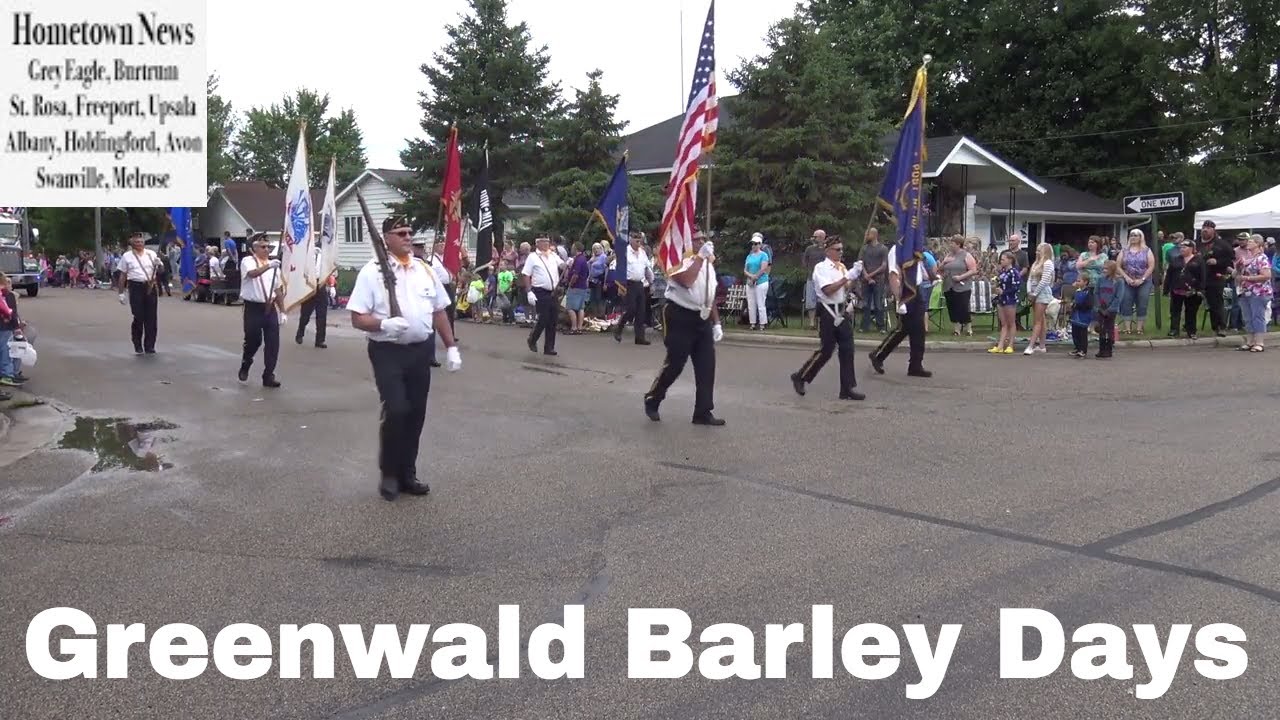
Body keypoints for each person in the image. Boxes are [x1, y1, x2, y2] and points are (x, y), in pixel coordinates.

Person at [347, 216, 460, 501]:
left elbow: (439, 311)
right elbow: (357, 318)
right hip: (387, 351)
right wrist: (382, 324)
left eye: (410, 232)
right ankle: (389, 472)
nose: (408, 237)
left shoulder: (424, 270)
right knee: (397, 409)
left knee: (416, 414)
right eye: (401, 233)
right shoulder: (372, 272)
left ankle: (408, 473)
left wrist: (451, 346)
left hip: (420, 351)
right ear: (386, 238)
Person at [644, 232, 724, 426]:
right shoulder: (675, 260)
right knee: (675, 364)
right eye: (697, 239)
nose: (702, 242)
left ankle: (703, 412)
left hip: (701, 318)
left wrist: (716, 322)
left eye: (703, 239)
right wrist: (700, 257)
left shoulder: (707, 264)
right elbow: (687, 281)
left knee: (707, 365)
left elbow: (709, 295)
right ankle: (653, 398)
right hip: (680, 316)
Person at [790, 236, 862, 400]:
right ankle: (801, 376)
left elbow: (846, 287)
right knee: (826, 350)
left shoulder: (841, 267)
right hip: (827, 311)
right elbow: (828, 290)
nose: (841, 252)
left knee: (847, 349)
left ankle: (847, 388)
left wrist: (854, 275)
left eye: (842, 249)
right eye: (838, 249)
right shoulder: (821, 268)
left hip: (842, 310)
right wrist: (847, 277)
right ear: (828, 251)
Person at [869, 242, 931, 378]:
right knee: (904, 328)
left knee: (918, 329)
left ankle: (915, 365)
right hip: (905, 291)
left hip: (917, 289)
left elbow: (919, 269)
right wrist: (899, 300)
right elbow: (893, 275)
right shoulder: (897, 250)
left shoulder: (914, 249)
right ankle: (878, 355)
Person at [237, 234, 285, 388]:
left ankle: (268, 375)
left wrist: (283, 311)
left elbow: (277, 290)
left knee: (273, 343)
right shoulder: (248, 261)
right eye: (263, 247)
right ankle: (246, 362)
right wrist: (269, 266)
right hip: (253, 308)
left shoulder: (274, 266)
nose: (267, 250)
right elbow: (252, 274)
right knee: (253, 341)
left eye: (268, 247)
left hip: (270, 308)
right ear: (254, 248)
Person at [114, 232, 162, 355]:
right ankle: (137, 344)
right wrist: (121, 293)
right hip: (135, 287)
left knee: (151, 318)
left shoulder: (151, 254)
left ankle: (150, 346)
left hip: (150, 286)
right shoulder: (127, 256)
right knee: (138, 316)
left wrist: (159, 264)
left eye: (141, 242)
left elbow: (161, 271)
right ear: (132, 243)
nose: (139, 244)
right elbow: (123, 275)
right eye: (136, 242)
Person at [522, 236, 565, 356]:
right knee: (544, 317)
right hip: (540, 291)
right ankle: (533, 338)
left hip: (554, 291)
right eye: (544, 242)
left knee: (553, 319)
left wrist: (569, 263)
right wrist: (529, 291)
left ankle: (549, 347)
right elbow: (526, 274)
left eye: (547, 242)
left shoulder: (553, 255)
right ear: (538, 244)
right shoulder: (533, 257)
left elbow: (562, 265)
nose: (547, 244)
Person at [1235, 234, 1272, 353]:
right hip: (1245, 291)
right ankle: (1250, 341)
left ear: (1258, 244)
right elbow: (1236, 274)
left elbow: (1267, 275)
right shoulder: (1248, 258)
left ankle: (1259, 342)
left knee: (1257, 316)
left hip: (1259, 292)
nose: (1248, 243)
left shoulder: (1262, 258)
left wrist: (1247, 278)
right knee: (1247, 317)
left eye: (1251, 241)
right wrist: (1238, 267)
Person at [614, 231, 654, 344]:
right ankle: (619, 326)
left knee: (641, 311)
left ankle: (640, 337)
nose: (638, 243)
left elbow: (647, 269)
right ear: (630, 240)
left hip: (640, 284)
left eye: (640, 241)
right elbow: (619, 269)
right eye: (636, 241)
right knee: (631, 309)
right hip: (628, 284)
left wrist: (651, 283)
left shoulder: (642, 253)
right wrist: (620, 286)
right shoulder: (625, 252)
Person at [1198, 220, 1234, 337]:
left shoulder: (1222, 244)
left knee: (1216, 303)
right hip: (1198, 277)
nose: (1205, 230)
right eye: (1204, 227)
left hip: (1215, 277)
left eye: (1208, 228)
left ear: (1214, 230)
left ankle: (1220, 327)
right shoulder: (1196, 243)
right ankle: (1189, 327)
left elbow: (1230, 260)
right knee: (1192, 302)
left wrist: (1217, 261)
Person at [1163, 239, 1204, 339]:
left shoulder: (1198, 260)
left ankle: (1191, 331)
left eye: (1184, 247)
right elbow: (1169, 275)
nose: (1182, 249)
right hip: (1177, 289)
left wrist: (1201, 289)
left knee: (1191, 311)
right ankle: (1174, 330)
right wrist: (1166, 289)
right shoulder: (1175, 259)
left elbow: (1203, 276)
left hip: (1192, 290)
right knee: (1175, 310)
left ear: (1191, 248)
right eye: (1181, 247)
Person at [1023, 243, 1056, 355]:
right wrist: (1029, 292)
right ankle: (1042, 346)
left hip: (1042, 293)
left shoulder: (1048, 263)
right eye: (1036, 250)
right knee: (1041, 319)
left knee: (1037, 321)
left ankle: (1030, 346)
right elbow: (1030, 279)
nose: (1037, 252)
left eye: (1039, 251)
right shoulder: (1035, 263)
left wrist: (1035, 293)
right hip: (1033, 292)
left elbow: (1045, 281)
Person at [295, 243, 329, 348]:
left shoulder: (325, 257)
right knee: (305, 314)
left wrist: (332, 286)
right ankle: (300, 333)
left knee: (322, 315)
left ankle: (320, 340)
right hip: (309, 286)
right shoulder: (307, 256)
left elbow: (329, 271)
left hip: (321, 285)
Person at [989, 251, 1021, 354]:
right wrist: (996, 286)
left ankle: (1010, 345)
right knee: (1003, 323)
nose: (1001, 261)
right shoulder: (1003, 272)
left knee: (1011, 322)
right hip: (1001, 299)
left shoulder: (1014, 272)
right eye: (1001, 260)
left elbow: (1016, 287)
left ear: (1010, 260)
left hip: (1010, 300)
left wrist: (1004, 291)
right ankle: (1000, 345)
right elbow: (1000, 282)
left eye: (1003, 259)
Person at [858, 228, 888, 333]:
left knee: (878, 304)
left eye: (868, 234)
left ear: (874, 235)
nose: (866, 236)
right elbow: (861, 263)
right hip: (865, 280)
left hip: (879, 280)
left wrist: (871, 275)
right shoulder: (864, 249)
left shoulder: (883, 249)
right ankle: (864, 326)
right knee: (865, 303)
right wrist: (866, 276)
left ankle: (881, 326)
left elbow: (883, 266)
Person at [743, 233, 772, 330]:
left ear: (760, 244)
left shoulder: (764, 255)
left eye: (756, 244)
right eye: (752, 244)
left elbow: (763, 268)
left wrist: (755, 277)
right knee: (751, 304)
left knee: (760, 303)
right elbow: (745, 270)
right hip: (750, 281)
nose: (754, 246)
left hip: (761, 281)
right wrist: (751, 277)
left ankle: (762, 324)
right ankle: (752, 323)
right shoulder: (749, 256)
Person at [1095, 261, 1123, 359]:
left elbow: (1118, 297)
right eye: (1103, 268)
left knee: (1109, 328)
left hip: (1112, 309)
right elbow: (1096, 293)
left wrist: (1110, 309)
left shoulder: (1119, 281)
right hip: (1101, 308)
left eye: (1106, 269)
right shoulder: (1100, 279)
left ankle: (1109, 349)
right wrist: (1099, 306)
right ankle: (1101, 349)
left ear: (1112, 270)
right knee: (1101, 329)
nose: (1104, 270)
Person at [802, 231, 827, 330]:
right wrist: (808, 269)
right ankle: (812, 323)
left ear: (821, 237)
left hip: (824, 279)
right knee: (810, 301)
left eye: (815, 237)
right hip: (811, 278)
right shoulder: (809, 249)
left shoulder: (827, 249)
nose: (813, 238)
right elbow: (805, 261)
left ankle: (821, 323)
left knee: (822, 301)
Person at [1068, 276, 1095, 358]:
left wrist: (1077, 306)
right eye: (1077, 280)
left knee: (1082, 334)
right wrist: (1072, 305)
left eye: (1079, 281)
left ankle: (1083, 350)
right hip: (1075, 315)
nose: (1077, 282)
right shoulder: (1077, 291)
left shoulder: (1088, 292)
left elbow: (1089, 304)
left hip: (1084, 315)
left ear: (1085, 282)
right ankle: (1077, 348)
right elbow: (1073, 300)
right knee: (1075, 333)